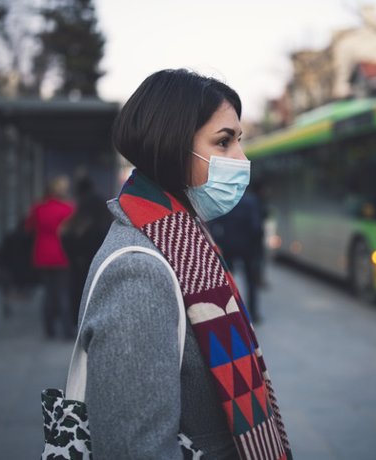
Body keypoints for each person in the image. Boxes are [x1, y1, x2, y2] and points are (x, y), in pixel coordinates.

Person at [76, 69, 292, 459]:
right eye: (224, 142)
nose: (242, 159)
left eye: (239, 141)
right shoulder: (139, 271)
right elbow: (134, 449)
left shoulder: (183, 238)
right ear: (172, 146)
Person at [26, 175, 75, 338]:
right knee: (63, 293)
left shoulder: (38, 208)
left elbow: (28, 227)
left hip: (42, 254)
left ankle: (49, 330)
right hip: (62, 254)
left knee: (48, 293)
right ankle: (67, 331)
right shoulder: (68, 208)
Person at [61, 174, 113, 329]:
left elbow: (75, 230)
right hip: (99, 249)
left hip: (82, 255)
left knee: (78, 287)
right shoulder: (100, 202)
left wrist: (74, 253)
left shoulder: (83, 204)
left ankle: (78, 319)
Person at [209, 190, 264, 322]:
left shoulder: (225, 199)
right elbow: (256, 227)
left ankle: (230, 313)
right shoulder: (251, 200)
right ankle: (253, 314)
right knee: (250, 281)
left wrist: (219, 242)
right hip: (248, 248)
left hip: (228, 247)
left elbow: (214, 223)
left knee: (227, 281)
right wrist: (257, 247)